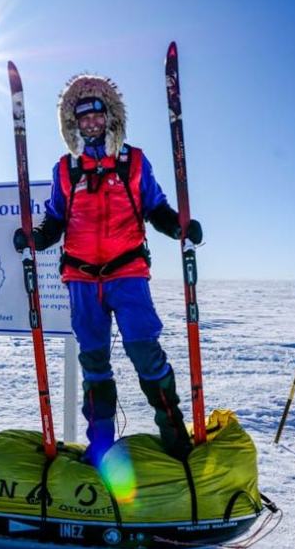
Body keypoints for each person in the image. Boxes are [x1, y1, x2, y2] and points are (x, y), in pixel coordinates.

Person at [13, 74, 202, 467]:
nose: (91, 123)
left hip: (127, 273)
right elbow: (54, 221)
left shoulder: (133, 162)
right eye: (82, 117)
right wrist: (34, 240)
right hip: (81, 279)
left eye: (98, 115)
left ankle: (173, 433)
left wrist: (179, 227)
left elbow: (156, 207)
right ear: (73, 123)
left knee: (144, 351)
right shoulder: (66, 170)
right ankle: (99, 444)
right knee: (94, 361)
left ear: (111, 117)